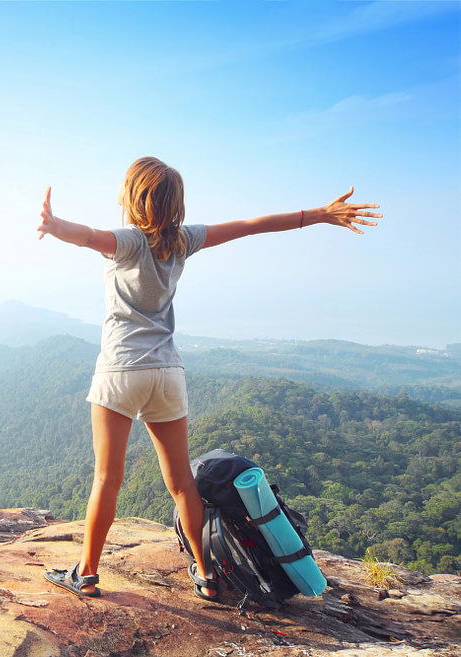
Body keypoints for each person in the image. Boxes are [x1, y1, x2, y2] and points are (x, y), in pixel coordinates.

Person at [37, 156, 380, 600]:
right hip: (167, 372)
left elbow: (85, 236)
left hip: (122, 369)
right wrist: (318, 215)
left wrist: (54, 223)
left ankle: (85, 573)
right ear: (175, 203)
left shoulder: (126, 241)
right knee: (181, 482)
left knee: (107, 479)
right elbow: (250, 225)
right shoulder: (183, 240)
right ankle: (206, 574)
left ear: (133, 198)